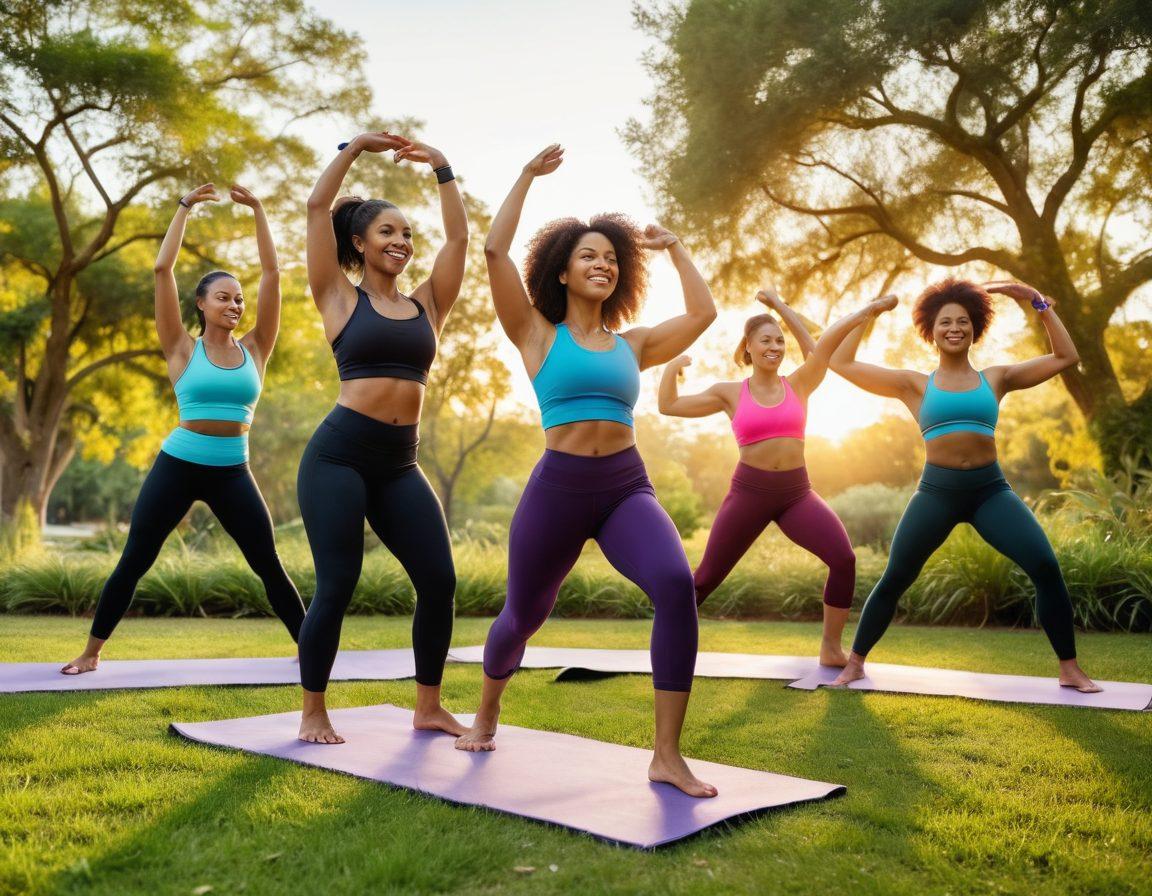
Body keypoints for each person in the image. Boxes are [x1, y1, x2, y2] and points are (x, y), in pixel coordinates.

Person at [454, 145, 719, 798]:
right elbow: (493, 252)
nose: (602, 264)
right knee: (522, 615)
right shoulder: (536, 333)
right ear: (563, 272)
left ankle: (666, 755)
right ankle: (486, 712)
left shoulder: (634, 344)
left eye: (611, 258)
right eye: (588, 256)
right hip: (559, 488)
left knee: (675, 586)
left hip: (625, 487)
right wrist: (525, 176)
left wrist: (676, 248)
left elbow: (703, 314)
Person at [62, 184, 304, 674]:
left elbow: (273, 274)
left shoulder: (257, 348)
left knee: (267, 562)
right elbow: (161, 270)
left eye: (239, 299)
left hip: (233, 471)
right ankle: (90, 653)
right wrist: (185, 208)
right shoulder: (180, 347)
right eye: (223, 297)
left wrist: (259, 210)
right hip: (179, 465)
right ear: (200, 303)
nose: (235, 305)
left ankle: (311, 651)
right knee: (136, 559)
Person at [829, 279, 1099, 691]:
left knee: (1045, 566)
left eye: (962, 321)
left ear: (975, 328)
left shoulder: (997, 378)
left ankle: (1070, 669)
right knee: (897, 576)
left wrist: (1037, 302)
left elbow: (1066, 356)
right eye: (945, 322)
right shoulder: (914, 384)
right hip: (936, 494)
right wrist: (870, 313)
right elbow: (842, 363)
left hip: (990, 492)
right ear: (931, 330)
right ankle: (855, 663)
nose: (954, 328)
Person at [296, 132, 469, 743]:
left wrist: (443, 167)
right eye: (387, 232)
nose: (401, 242)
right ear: (360, 243)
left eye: (407, 234)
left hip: (399, 464)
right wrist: (356, 149)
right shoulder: (339, 297)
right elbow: (317, 208)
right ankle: (313, 710)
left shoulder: (428, 306)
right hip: (338, 457)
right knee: (337, 584)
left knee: (440, 582)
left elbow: (458, 241)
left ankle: (429, 706)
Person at [660, 289, 897, 664]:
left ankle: (830, 648)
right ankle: (667, 648)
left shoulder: (799, 384)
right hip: (749, 494)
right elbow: (669, 405)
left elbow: (821, 346)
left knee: (843, 559)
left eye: (779, 341)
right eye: (766, 340)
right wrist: (672, 367)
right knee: (704, 580)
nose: (774, 347)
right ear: (748, 347)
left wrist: (866, 309)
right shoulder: (729, 393)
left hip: (796, 494)